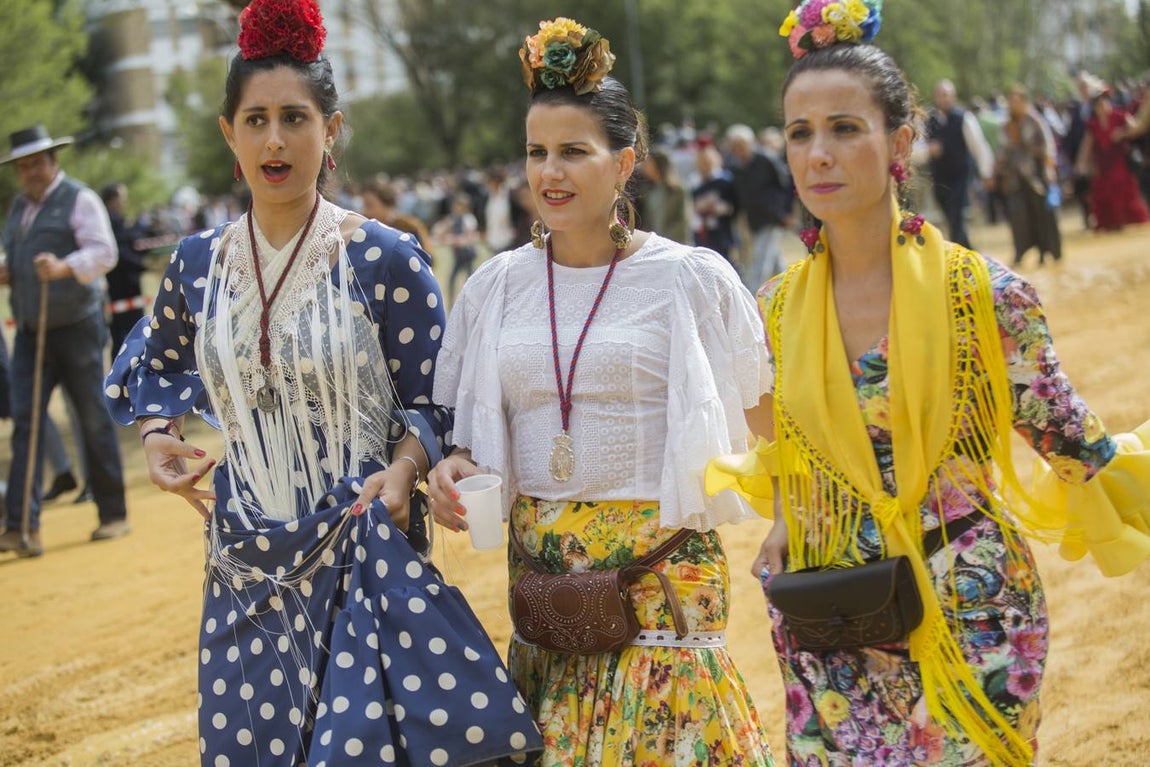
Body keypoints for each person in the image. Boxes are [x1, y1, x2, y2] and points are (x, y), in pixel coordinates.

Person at [707, 3, 1150, 765]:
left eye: (846, 128)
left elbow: (1072, 438)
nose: (819, 154)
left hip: (970, 604)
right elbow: (787, 444)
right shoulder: (773, 310)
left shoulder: (983, 294)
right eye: (800, 133)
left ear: (901, 141)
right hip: (832, 618)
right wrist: (784, 515)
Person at [102, 1, 541, 764]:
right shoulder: (197, 265)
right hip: (245, 564)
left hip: (363, 548)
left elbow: (435, 399)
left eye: (295, 118)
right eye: (257, 119)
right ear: (228, 133)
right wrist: (158, 432)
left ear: (332, 130)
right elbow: (157, 358)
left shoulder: (385, 258)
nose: (275, 139)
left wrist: (405, 469)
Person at [427, 17, 775, 766]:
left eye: (574, 152)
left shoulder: (689, 278)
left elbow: (770, 417)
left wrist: (818, 510)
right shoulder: (495, 287)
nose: (550, 172)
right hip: (547, 596)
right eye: (537, 152)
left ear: (623, 164)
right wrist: (453, 467)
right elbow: (465, 433)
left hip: (662, 582)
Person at [0, 124, 129, 557]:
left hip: (77, 325)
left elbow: (104, 252)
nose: (31, 171)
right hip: (31, 330)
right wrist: (10, 271)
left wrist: (65, 266)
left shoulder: (79, 198)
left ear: (53, 161)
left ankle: (113, 513)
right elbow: (16, 255)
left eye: (37, 163)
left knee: (93, 417)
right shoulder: (19, 209)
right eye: (23, 166)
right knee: (26, 424)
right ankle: (21, 527)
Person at [997, 84, 1063, 266]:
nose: (1013, 105)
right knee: (1019, 216)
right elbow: (1003, 151)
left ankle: (1046, 252)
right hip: (1016, 179)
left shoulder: (1035, 121)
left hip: (1037, 175)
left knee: (1042, 215)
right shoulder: (1007, 126)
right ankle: (1021, 251)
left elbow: (1048, 146)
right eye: (1011, 102)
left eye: (1016, 101)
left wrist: (1049, 168)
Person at [726, 123, 795, 292]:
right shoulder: (735, 167)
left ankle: (752, 298)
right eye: (735, 147)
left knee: (760, 260)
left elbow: (786, 184)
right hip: (754, 219)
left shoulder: (766, 159)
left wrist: (787, 211)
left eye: (742, 145)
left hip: (773, 216)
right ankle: (789, 290)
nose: (739, 150)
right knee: (774, 259)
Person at [925, 79, 994, 248]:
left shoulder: (964, 118)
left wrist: (986, 173)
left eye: (947, 95)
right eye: (941, 95)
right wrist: (929, 150)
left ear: (953, 96)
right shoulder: (930, 120)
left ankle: (960, 252)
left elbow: (979, 146)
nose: (944, 98)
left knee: (956, 215)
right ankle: (967, 250)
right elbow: (918, 148)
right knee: (949, 217)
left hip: (960, 176)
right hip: (939, 177)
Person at [1074, 86, 1149, 232]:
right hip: (1102, 164)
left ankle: (1127, 220)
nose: (1102, 107)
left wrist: (1122, 133)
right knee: (1104, 191)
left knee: (1122, 188)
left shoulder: (1120, 116)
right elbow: (1086, 145)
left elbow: (1136, 128)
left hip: (1118, 162)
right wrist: (1081, 163)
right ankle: (1111, 223)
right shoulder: (1093, 124)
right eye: (1098, 105)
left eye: (1103, 103)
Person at [100, 181, 149, 364]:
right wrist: (144, 264)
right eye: (122, 197)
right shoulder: (110, 221)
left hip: (124, 284)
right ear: (113, 199)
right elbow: (120, 253)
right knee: (128, 333)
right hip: (122, 285)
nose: (124, 201)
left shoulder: (114, 220)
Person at [691, 142, 739, 261]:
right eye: (702, 162)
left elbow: (734, 206)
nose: (705, 165)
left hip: (722, 230)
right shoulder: (695, 181)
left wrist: (716, 208)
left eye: (707, 161)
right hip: (701, 229)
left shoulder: (724, 181)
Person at [637, 148, 691, 243]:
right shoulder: (648, 190)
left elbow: (683, 221)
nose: (645, 167)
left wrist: (664, 240)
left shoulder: (678, 191)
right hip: (655, 244)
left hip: (675, 243)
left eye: (649, 163)